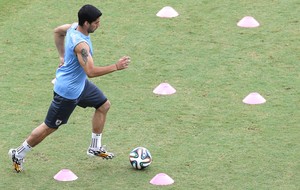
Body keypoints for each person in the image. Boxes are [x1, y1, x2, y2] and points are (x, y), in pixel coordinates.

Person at [8, 4, 130, 173]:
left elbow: (58, 31)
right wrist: (116, 66)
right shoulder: (82, 46)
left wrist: (62, 55)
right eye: (96, 22)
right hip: (67, 93)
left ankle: (95, 147)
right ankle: (18, 153)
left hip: (80, 85)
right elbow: (91, 72)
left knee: (104, 105)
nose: (98, 25)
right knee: (49, 126)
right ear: (86, 23)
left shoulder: (73, 27)